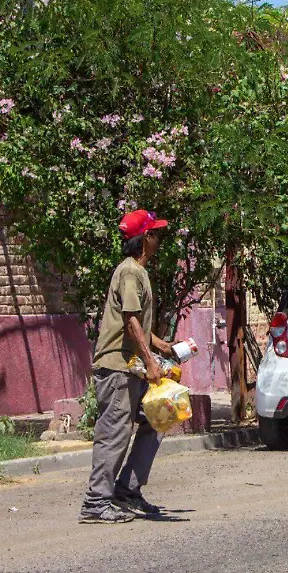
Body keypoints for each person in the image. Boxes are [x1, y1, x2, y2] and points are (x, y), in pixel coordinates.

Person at [80, 209, 174, 524]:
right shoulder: (130, 272)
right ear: (145, 238)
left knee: (156, 419)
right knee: (114, 431)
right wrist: (150, 361)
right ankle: (96, 502)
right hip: (118, 367)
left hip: (131, 365)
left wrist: (160, 346)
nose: (159, 239)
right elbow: (130, 319)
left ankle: (127, 491)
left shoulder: (136, 271)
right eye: (155, 233)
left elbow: (134, 321)